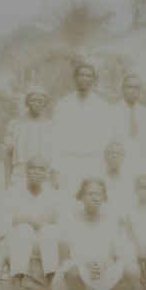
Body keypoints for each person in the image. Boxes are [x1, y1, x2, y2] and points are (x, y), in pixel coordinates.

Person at [53, 177, 141, 290]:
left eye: (98, 194)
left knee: (132, 270)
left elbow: (110, 258)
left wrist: (103, 267)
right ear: (81, 196)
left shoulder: (111, 221)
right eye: (89, 193)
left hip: (103, 270)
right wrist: (84, 264)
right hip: (78, 271)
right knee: (72, 270)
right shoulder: (67, 220)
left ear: (104, 197)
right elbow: (63, 259)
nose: (94, 198)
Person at [0, 155, 63, 289]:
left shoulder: (55, 196)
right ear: (26, 170)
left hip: (43, 242)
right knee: (24, 230)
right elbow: (2, 227)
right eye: (32, 168)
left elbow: (62, 227)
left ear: (48, 173)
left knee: (48, 231)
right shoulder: (12, 193)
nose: (36, 172)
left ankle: (52, 284)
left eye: (41, 169)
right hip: (17, 240)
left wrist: (25, 218)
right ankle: (16, 285)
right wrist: (40, 221)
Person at [51, 63, 111, 201]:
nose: (84, 79)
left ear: (93, 79)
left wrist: (101, 169)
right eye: (81, 75)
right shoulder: (63, 104)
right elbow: (55, 139)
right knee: (64, 200)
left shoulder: (101, 106)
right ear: (75, 77)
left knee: (88, 200)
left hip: (91, 163)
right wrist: (55, 170)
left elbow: (105, 139)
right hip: (66, 162)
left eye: (88, 76)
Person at [4, 85, 52, 188]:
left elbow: (55, 156)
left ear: (45, 104)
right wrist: (7, 180)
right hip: (19, 176)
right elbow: (9, 154)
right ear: (26, 102)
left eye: (40, 101)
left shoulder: (51, 126)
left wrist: (54, 179)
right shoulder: (14, 124)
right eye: (33, 100)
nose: (36, 103)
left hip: (44, 179)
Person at [110, 74, 146, 175]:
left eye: (137, 88)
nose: (133, 91)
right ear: (123, 89)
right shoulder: (112, 111)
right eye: (130, 87)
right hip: (119, 166)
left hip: (142, 165)